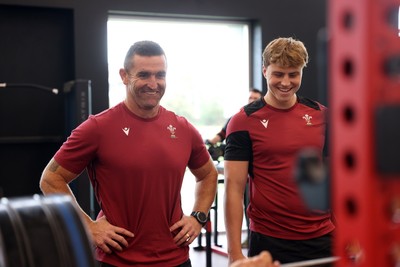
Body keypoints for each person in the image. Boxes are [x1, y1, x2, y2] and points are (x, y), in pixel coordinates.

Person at [39, 40, 218, 267]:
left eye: (160, 75)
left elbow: (208, 174)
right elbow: (51, 179)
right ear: (124, 76)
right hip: (118, 260)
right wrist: (88, 226)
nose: (153, 84)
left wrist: (198, 218)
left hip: (176, 259)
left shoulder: (182, 128)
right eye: (144, 75)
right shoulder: (97, 128)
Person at [223, 37, 335, 265]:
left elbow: (336, 180)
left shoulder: (322, 116)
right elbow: (234, 189)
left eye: (293, 74)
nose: (285, 82)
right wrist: (234, 254)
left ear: (302, 72)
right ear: (265, 71)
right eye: (278, 74)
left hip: (322, 236)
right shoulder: (242, 121)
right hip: (269, 240)